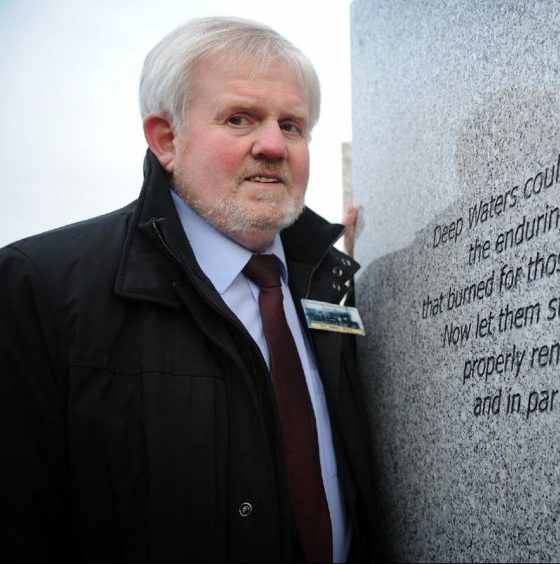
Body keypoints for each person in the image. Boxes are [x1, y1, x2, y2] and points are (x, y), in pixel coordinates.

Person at [0, 17, 377, 562]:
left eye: (292, 125)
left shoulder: (333, 283)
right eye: (240, 118)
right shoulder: (36, 288)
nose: (273, 144)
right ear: (166, 139)